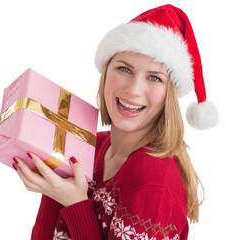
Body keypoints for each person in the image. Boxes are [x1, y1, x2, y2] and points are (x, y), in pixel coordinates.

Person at [12, 4, 218, 240]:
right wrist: (52, 183)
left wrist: (76, 204)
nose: (134, 89)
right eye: (124, 69)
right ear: (106, 72)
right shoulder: (93, 145)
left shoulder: (152, 183)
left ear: (168, 96)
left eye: (154, 77)